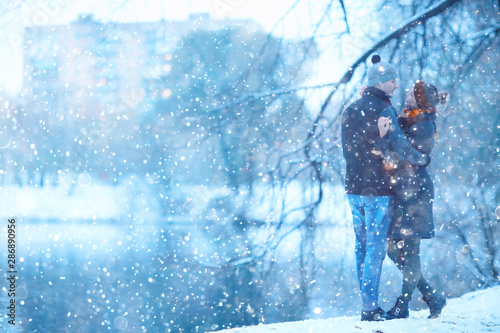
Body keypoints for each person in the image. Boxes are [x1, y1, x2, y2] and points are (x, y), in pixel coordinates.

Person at [341, 55, 431, 322]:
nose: (395, 86)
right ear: (382, 82)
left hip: (353, 188)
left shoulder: (350, 109)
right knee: (375, 250)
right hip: (378, 191)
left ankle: (367, 304)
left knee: (361, 246)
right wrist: (422, 159)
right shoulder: (384, 111)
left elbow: (347, 149)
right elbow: (401, 147)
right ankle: (369, 310)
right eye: (392, 81)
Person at [377, 81, 448, 320]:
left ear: (420, 100)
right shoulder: (408, 119)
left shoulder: (425, 125)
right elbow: (396, 151)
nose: (406, 93)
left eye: (411, 92)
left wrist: (392, 128)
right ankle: (432, 296)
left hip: (416, 193)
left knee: (410, 249)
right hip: (402, 191)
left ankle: (402, 305)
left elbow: (409, 153)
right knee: (391, 249)